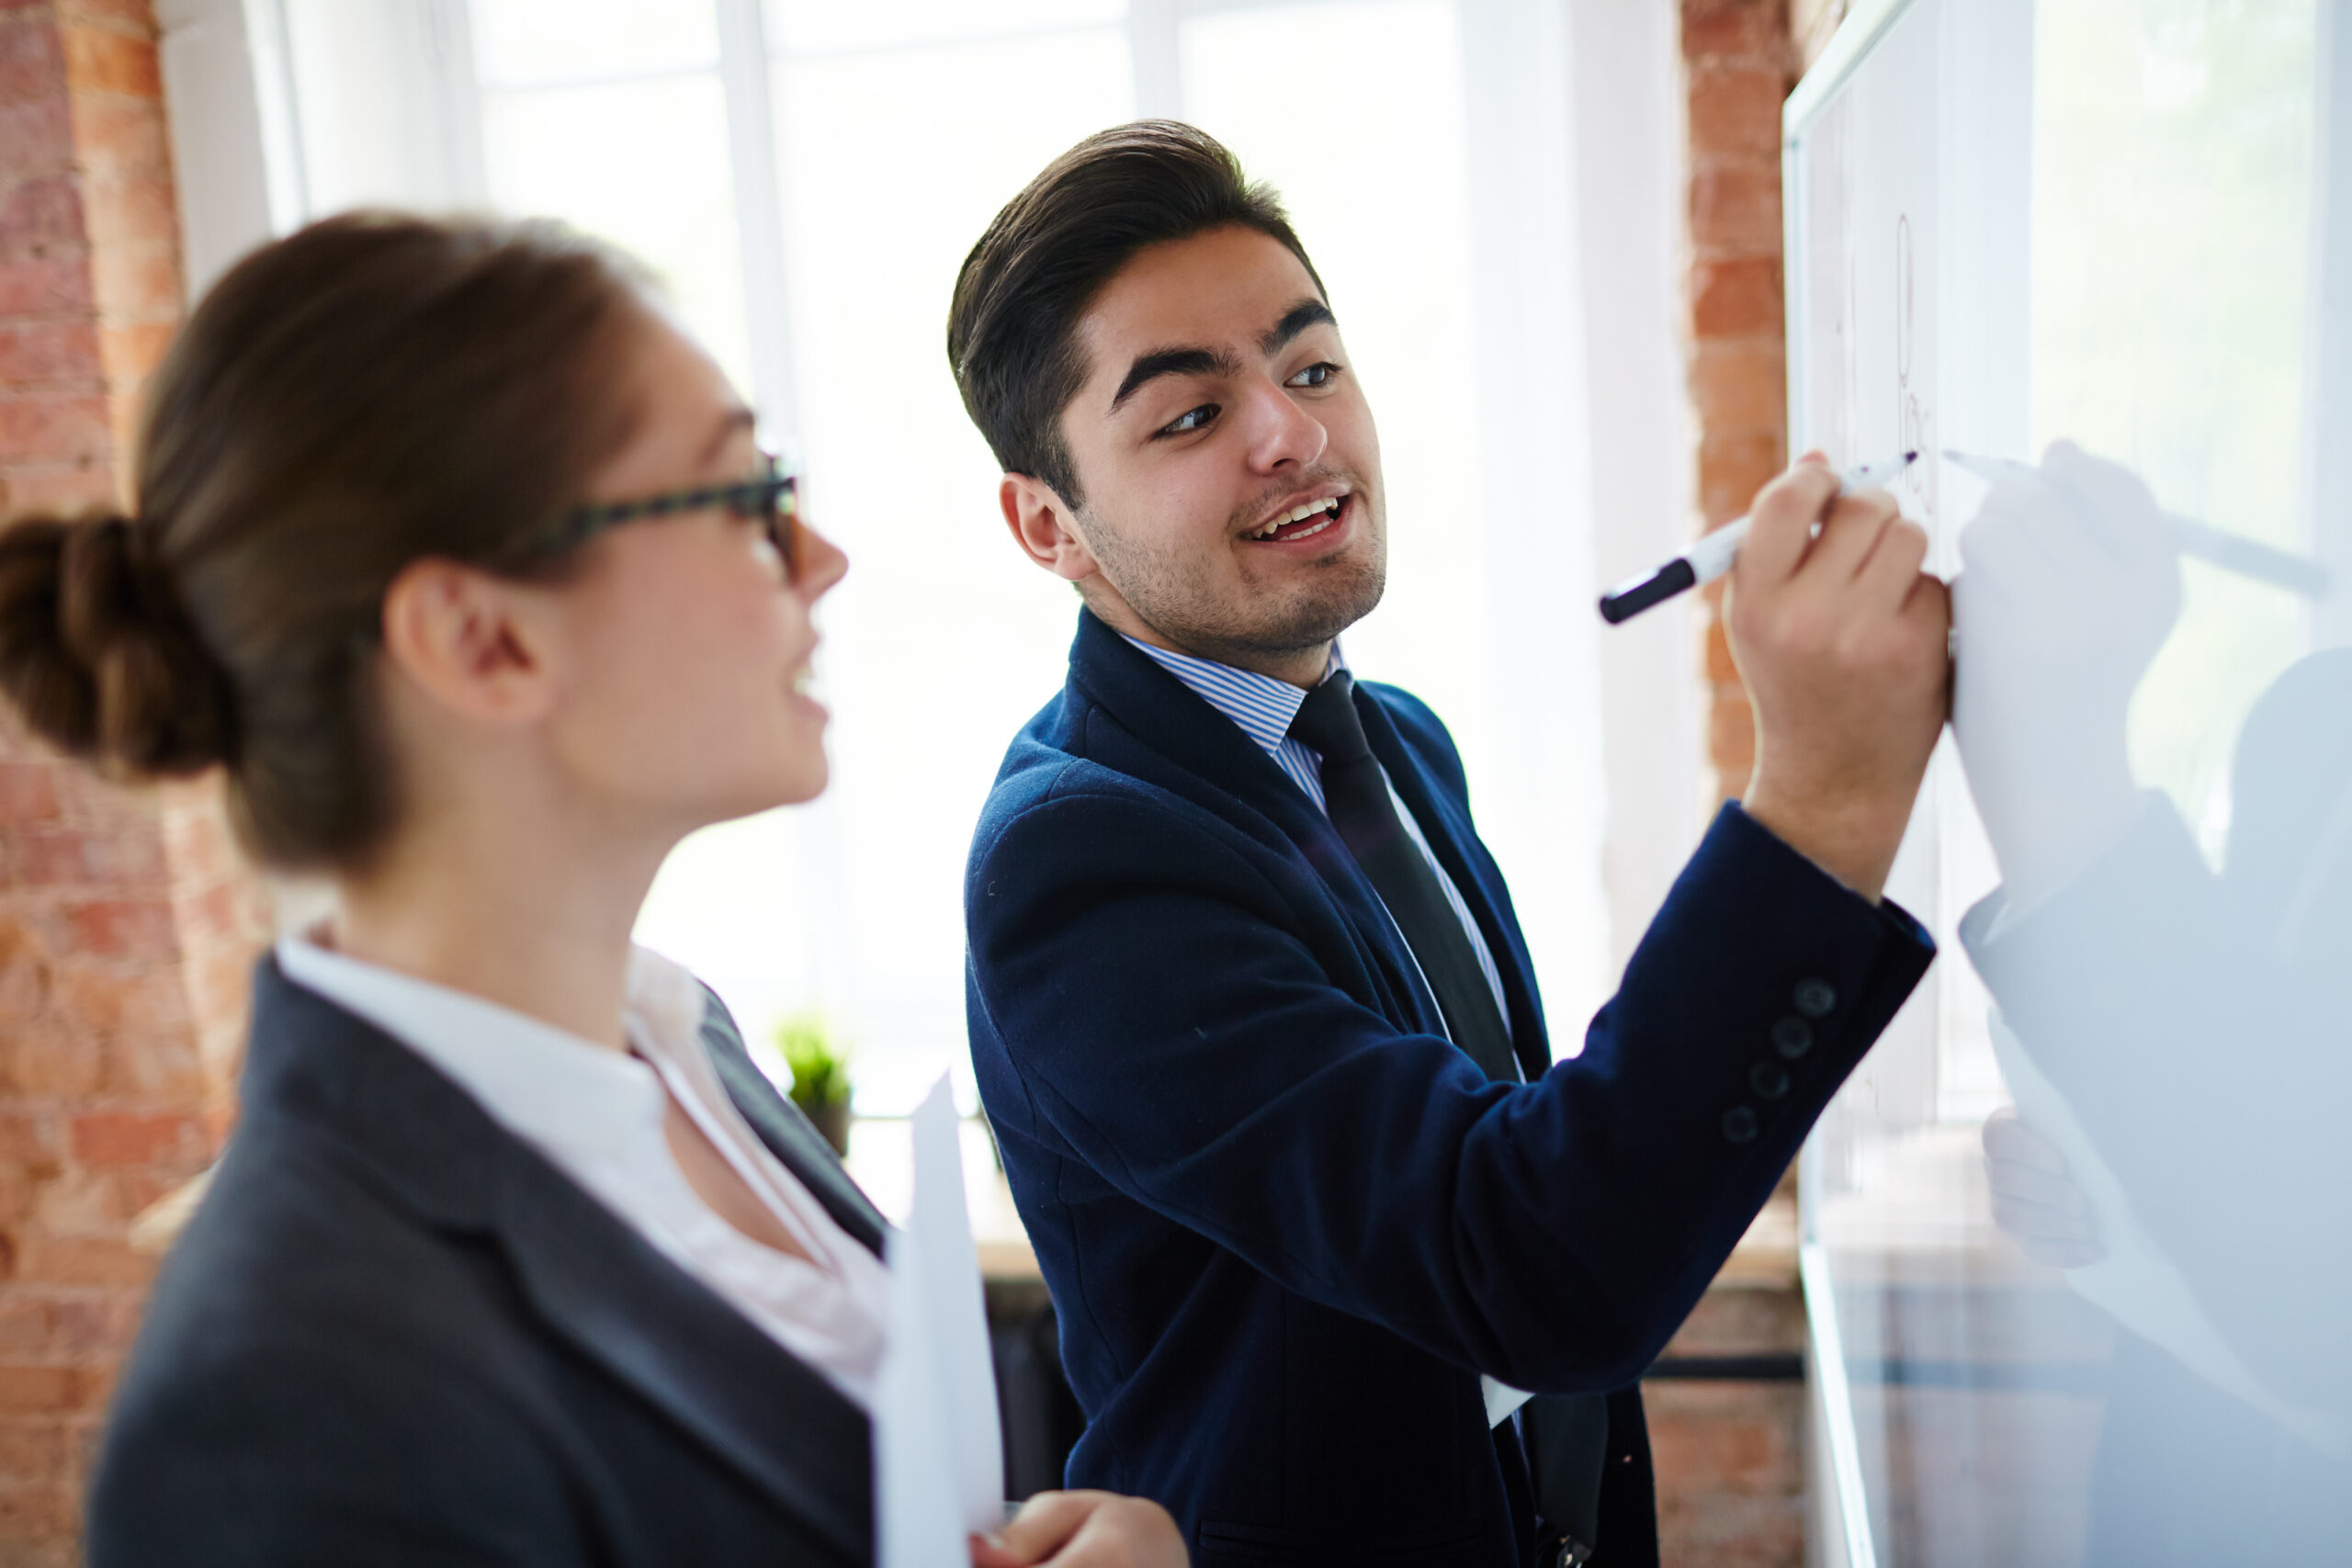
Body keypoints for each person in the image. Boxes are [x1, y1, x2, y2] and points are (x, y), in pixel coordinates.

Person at [0, 212, 1183, 1568]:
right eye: (741, 497)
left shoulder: (686, 1038)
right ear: (482, 638)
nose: (820, 558)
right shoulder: (281, 1394)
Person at [948, 122, 1950, 1568]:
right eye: (1186, 415)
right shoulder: (1079, 861)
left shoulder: (1396, 739)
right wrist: (1822, 800)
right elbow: (1531, 1253)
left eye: (1310, 365)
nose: (1292, 433)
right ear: (1050, 525)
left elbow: (1504, 1164)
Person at [1951, 442, 2352, 1564]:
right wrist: (2084, 1152)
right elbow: (2239, 1080)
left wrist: (2060, 771)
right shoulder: (2311, 719)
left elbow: (2320, 1306)